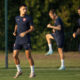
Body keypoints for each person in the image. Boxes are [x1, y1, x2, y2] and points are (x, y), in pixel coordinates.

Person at [13, 4, 35, 78]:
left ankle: (32, 72)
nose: (25, 10)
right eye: (23, 9)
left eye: (26, 9)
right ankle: (19, 70)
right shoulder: (17, 18)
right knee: (14, 55)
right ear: (20, 9)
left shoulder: (29, 18)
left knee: (28, 56)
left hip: (26, 39)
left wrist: (25, 33)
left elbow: (32, 28)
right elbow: (16, 25)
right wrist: (15, 31)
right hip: (18, 39)